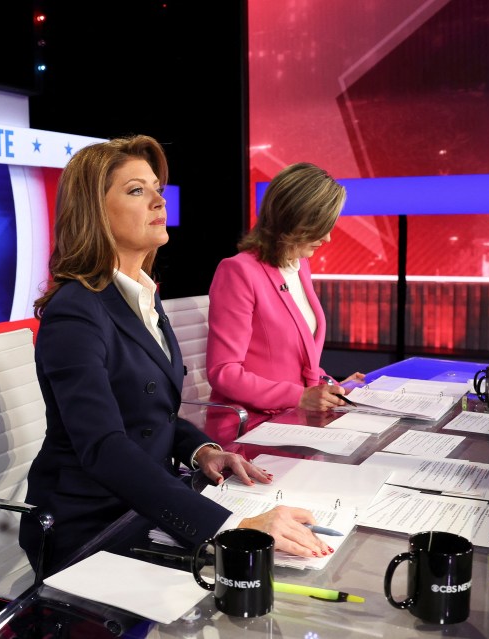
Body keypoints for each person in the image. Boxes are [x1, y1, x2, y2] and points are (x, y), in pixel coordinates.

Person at [18, 135, 332, 574]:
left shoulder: (142, 297)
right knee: (252, 576)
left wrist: (202, 449)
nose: (157, 202)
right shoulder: (74, 311)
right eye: (136, 191)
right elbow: (104, 447)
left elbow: (152, 416)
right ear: (94, 211)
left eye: (157, 190)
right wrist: (233, 525)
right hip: (91, 525)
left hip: (143, 505)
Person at [206, 162, 365, 439]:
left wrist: (330, 386)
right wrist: (300, 396)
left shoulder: (299, 265)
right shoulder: (238, 271)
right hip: (252, 427)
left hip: (296, 420)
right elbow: (224, 372)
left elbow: (297, 361)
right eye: (319, 228)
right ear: (293, 220)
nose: (327, 238)